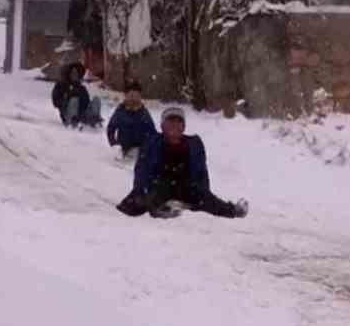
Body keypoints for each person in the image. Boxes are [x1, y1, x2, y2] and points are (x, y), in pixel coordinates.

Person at [116, 107, 248, 219]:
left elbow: (202, 172)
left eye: (178, 122)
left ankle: (233, 210)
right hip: (159, 185)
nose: (174, 125)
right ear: (162, 126)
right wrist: (141, 191)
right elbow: (141, 171)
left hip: (186, 187)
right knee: (137, 203)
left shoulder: (193, 145)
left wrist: (204, 193)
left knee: (207, 200)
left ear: (183, 127)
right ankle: (161, 210)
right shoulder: (152, 143)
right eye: (170, 122)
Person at [106, 81, 156, 155]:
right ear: (126, 96)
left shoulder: (144, 113)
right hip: (123, 150)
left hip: (140, 151)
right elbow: (111, 129)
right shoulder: (120, 111)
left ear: (140, 97)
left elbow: (152, 132)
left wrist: (148, 147)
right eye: (131, 95)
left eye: (136, 96)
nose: (133, 99)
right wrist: (114, 145)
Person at [51, 62, 101, 128]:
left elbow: (86, 102)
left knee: (96, 99)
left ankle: (94, 118)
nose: (75, 75)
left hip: (82, 114)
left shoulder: (81, 88)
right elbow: (56, 101)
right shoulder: (61, 85)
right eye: (73, 73)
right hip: (67, 113)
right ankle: (73, 120)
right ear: (69, 74)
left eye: (77, 74)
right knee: (74, 99)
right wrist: (64, 100)